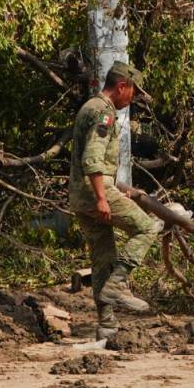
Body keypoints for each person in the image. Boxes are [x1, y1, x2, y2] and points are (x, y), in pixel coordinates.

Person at [70, 60, 170, 340]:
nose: (134, 99)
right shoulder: (104, 113)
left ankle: (107, 327)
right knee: (147, 227)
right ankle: (119, 284)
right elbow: (92, 159)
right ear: (121, 86)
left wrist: (112, 189)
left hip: (80, 197)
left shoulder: (89, 107)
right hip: (93, 194)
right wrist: (103, 197)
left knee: (102, 258)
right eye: (133, 93)